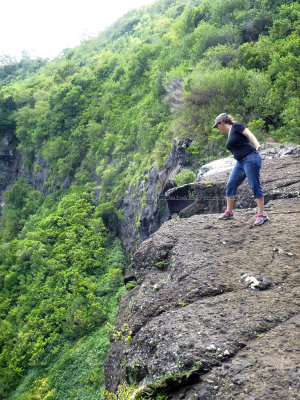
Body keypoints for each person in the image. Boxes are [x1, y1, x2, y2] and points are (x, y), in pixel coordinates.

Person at [212, 113, 268, 226]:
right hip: (240, 162)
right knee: (231, 184)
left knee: (254, 185)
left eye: (217, 126)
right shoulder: (230, 132)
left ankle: (262, 214)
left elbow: (249, 134)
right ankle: (229, 212)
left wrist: (257, 145)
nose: (217, 128)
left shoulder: (236, 125)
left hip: (250, 158)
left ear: (221, 123)